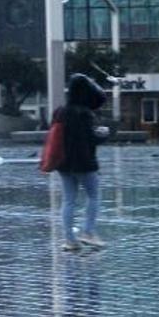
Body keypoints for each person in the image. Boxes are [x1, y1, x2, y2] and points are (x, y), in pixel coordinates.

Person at [56, 73, 109, 251]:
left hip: (63, 163)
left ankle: (70, 240)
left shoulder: (60, 112)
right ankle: (88, 232)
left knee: (68, 200)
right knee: (93, 196)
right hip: (84, 162)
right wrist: (103, 134)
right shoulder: (84, 114)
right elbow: (90, 139)